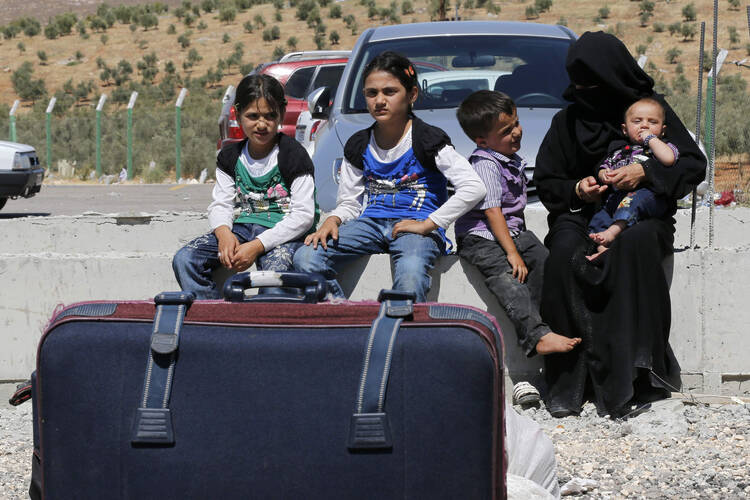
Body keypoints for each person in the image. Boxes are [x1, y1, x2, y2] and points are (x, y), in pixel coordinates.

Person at [533, 32, 706, 418]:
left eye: (593, 84)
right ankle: (569, 384)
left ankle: (638, 375)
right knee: (562, 254)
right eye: (579, 84)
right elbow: (547, 181)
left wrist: (643, 171)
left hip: (642, 216)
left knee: (635, 247)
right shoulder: (569, 120)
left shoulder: (648, 111)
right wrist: (580, 188)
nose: (585, 92)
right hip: (582, 216)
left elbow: (691, 165)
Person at [293, 51, 486, 302]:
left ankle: (399, 334)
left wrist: (430, 224)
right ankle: (346, 317)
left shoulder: (428, 139)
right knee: (306, 257)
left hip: (416, 228)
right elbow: (351, 202)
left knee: (411, 272)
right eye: (372, 93)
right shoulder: (358, 144)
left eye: (390, 92)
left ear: (412, 95)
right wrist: (335, 220)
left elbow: (474, 187)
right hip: (370, 225)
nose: (379, 100)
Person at [455, 90, 582, 359]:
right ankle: (536, 335)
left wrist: (519, 246)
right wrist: (512, 253)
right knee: (507, 279)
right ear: (482, 141)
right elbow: (493, 211)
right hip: (480, 237)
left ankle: (544, 324)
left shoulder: (509, 159)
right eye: (505, 130)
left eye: (516, 123)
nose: (516, 132)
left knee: (544, 260)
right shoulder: (485, 164)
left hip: (511, 232)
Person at [172, 74, 318, 299]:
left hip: (283, 232)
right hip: (243, 228)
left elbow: (303, 216)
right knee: (185, 259)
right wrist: (223, 234)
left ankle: (265, 327)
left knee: (274, 275)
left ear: (281, 112)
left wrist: (258, 246)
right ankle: (213, 319)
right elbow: (221, 203)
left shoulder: (293, 156)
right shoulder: (230, 157)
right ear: (238, 115)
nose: (261, 124)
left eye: (270, 116)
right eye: (252, 116)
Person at [587, 97, 679, 260]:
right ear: (625, 129)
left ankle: (611, 233)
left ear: (663, 130)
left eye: (652, 122)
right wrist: (604, 175)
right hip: (616, 196)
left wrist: (651, 139)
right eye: (637, 121)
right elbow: (603, 167)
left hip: (646, 194)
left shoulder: (661, 146)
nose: (645, 125)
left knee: (631, 204)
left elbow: (669, 159)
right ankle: (602, 247)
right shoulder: (618, 150)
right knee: (599, 218)